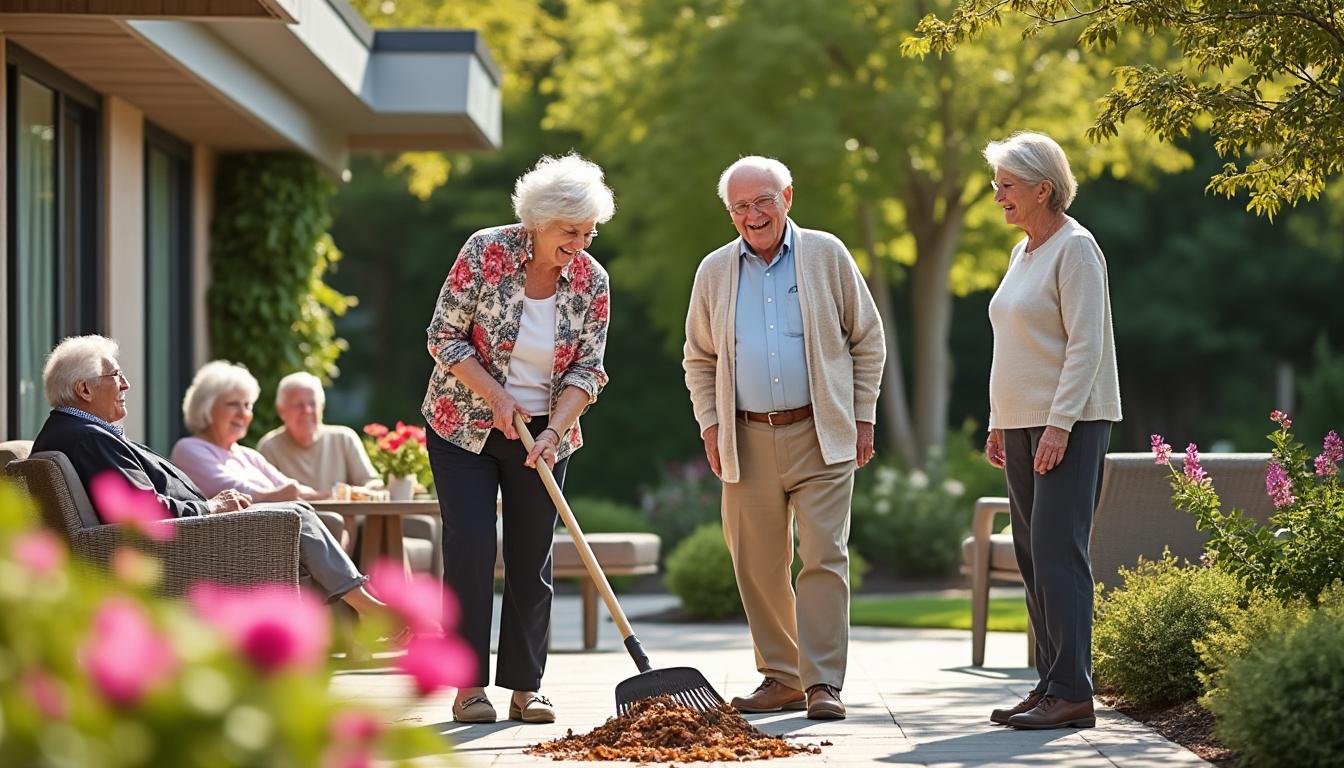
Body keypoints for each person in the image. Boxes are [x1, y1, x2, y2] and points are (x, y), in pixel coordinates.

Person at [682, 156, 885, 720]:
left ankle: (823, 683)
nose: (752, 215)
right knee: (757, 562)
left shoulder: (827, 254)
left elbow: (867, 340)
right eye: (740, 207)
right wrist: (711, 422)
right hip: (746, 437)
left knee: (823, 555)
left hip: (821, 433)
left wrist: (862, 415)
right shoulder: (714, 271)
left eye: (762, 201)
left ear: (788, 197)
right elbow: (699, 358)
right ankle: (781, 676)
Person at [422, 152, 614, 725]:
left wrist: (554, 429)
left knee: (532, 557)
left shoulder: (592, 280)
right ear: (537, 221)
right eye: (569, 231)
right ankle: (467, 686)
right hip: (464, 425)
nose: (579, 244)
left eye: (588, 232)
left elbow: (589, 370)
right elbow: (444, 337)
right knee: (472, 549)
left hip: (543, 437)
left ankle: (527, 687)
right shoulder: (485, 252)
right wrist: (497, 398)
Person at [31, 336, 388, 615]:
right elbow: (144, 509)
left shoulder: (74, 434)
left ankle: (349, 614)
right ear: (84, 389)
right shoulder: (88, 438)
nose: (125, 384)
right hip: (175, 548)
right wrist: (212, 507)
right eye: (116, 376)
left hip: (178, 541)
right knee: (296, 515)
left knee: (299, 529)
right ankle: (363, 608)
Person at [981, 132, 1121, 730]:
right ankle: (1048, 686)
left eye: (1006, 187)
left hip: (1068, 423)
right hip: (1020, 423)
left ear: (1043, 189)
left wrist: (1058, 426)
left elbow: (1086, 345)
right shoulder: (1025, 253)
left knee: (1060, 554)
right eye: (996, 186)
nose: (998, 197)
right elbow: (1012, 346)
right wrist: (997, 422)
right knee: (1032, 555)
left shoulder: (1077, 249)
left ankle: (1073, 692)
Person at [172, 361, 325, 502]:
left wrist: (331, 495)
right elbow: (232, 491)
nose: (243, 413)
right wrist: (278, 495)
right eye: (233, 404)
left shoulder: (249, 456)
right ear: (206, 409)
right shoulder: (188, 449)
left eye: (247, 405)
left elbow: (289, 487)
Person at [257, 371, 379, 496]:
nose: (307, 410)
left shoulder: (344, 438)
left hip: (344, 516)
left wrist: (356, 492)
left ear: (322, 407)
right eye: (298, 405)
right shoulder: (270, 447)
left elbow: (372, 483)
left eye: (312, 403)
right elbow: (266, 497)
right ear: (281, 410)